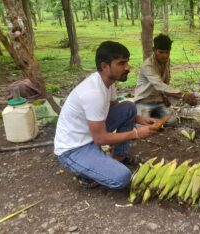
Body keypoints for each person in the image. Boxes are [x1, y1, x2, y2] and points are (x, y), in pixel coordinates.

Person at [54, 41, 158, 189]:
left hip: (90, 134)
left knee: (128, 107)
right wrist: (136, 133)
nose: (128, 67)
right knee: (123, 178)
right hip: (73, 149)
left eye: (127, 62)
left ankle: (118, 157)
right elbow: (101, 138)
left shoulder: (108, 82)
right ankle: (88, 172)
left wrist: (140, 119)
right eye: (122, 63)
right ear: (105, 66)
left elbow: (116, 108)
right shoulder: (93, 93)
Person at [134, 34, 197, 124]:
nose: (165, 55)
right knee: (143, 126)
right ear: (154, 50)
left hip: (158, 101)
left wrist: (164, 97)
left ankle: (152, 116)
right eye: (161, 52)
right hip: (144, 101)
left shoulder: (165, 62)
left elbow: (165, 84)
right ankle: (145, 115)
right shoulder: (148, 65)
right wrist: (183, 96)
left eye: (167, 52)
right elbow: (159, 84)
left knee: (172, 121)